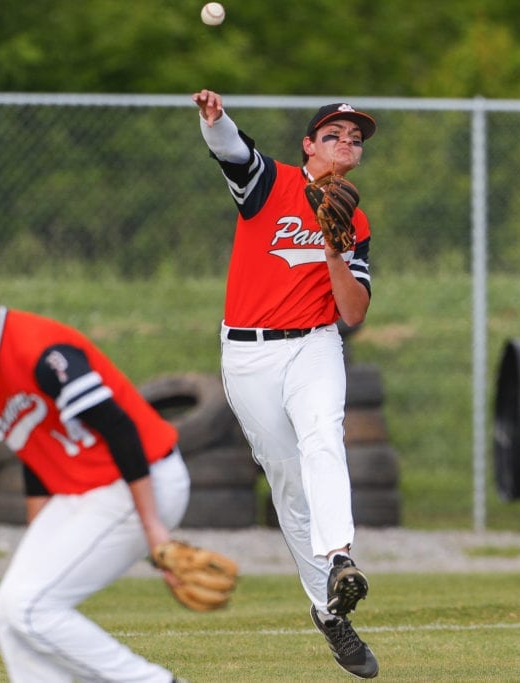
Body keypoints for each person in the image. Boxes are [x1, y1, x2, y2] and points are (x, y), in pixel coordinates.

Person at [0, 245, 191, 683]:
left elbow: (119, 428)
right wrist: (40, 540)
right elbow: (33, 451)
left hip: (141, 476)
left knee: (31, 606)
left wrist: (155, 528)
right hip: (88, 490)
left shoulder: (38, 349)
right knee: (7, 611)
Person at [192, 89, 379, 679]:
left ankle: (341, 558)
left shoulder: (355, 217)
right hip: (247, 353)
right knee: (288, 483)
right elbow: (234, 154)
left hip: (314, 345)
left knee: (323, 437)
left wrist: (333, 246)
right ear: (308, 145)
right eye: (333, 134)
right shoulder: (271, 183)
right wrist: (214, 120)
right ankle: (330, 613)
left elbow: (353, 313)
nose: (346, 142)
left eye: (354, 138)